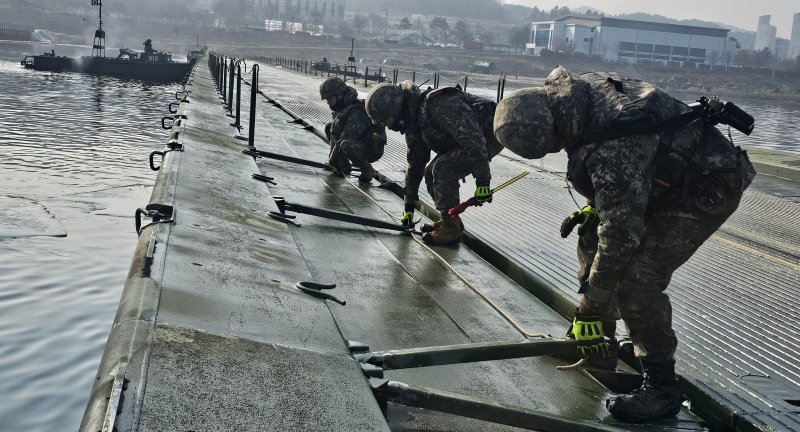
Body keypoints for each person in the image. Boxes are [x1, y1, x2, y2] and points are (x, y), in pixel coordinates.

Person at [493, 66, 756, 422]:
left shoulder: (611, 145)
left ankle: (662, 387)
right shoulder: (576, 95)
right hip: (663, 174)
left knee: (637, 277)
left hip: (705, 185)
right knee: (591, 235)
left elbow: (621, 234)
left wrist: (589, 306)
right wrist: (600, 205)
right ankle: (598, 341)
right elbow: (631, 177)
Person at [365, 81, 503, 245]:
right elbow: (416, 165)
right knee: (430, 173)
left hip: (488, 136)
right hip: (467, 141)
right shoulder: (414, 122)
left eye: (386, 119)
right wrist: (409, 206)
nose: (388, 126)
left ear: (396, 109)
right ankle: (450, 220)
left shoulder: (438, 105)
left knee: (442, 168)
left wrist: (482, 182)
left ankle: (451, 230)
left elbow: (473, 139)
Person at [319, 77, 387, 182]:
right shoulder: (342, 105)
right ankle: (344, 164)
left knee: (345, 145)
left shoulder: (357, 112)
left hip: (372, 148)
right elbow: (334, 131)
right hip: (358, 141)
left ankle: (367, 169)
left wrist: (333, 162)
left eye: (329, 99)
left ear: (339, 95)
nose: (328, 102)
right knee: (330, 127)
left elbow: (344, 139)